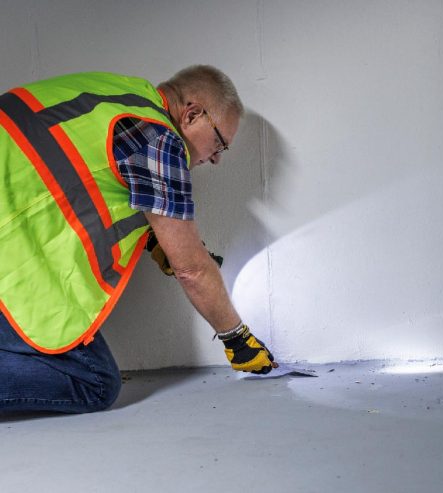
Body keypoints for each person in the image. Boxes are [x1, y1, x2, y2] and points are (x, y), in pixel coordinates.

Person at [0, 65, 276, 414]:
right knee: (95, 380)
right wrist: (236, 338)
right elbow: (191, 269)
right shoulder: (159, 138)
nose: (216, 159)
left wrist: (150, 239)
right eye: (219, 142)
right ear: (192, 114)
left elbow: (78, 179)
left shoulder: (115, 93)